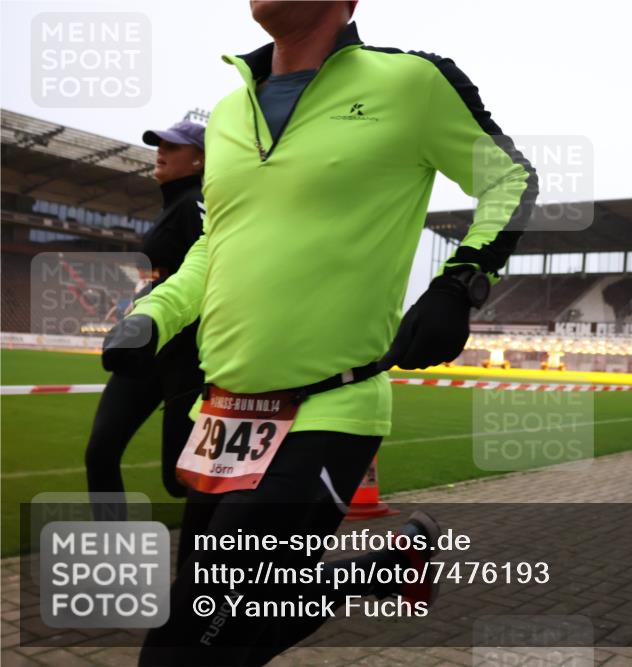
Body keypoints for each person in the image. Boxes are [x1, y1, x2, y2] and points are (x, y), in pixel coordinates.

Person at [101, 2, 537, 664]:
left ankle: (379, 570)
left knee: (182, 649)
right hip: (219, 419)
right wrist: (153, 315)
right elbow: (212, 246)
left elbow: (511, 178)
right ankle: (380, 569)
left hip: (325, 409)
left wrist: (461, 281)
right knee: (232, 640)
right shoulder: (226, 114)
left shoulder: (411, 83)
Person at [84, 119, 207, 519]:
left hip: (184, 353)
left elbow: (204, 274)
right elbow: (164, 275)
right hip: (145, 349)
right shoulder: (173, 206)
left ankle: (212, 561)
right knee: (101, 450)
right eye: (159, 145)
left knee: (180, 478)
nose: (161, 151)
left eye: (173, 147)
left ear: (200, 160)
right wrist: (136, 300)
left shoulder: (195, 205)